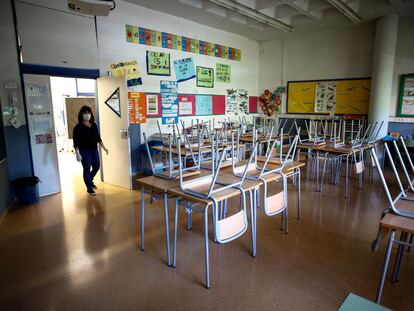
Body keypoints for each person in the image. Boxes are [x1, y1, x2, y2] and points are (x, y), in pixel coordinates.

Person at [73, 105, 108, 196]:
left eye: (88, 113)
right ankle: (89, 187)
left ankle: (90, 180)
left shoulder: (94, 125)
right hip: (84, 150)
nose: (87, 114)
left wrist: (104, 147)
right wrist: (77, 153)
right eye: (85, 113)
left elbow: (97, 137)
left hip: (93, 149)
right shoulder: (78, 127)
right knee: (87, 168)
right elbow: (75, 141)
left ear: (91, 114)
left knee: (96, 166)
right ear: (81, 115)